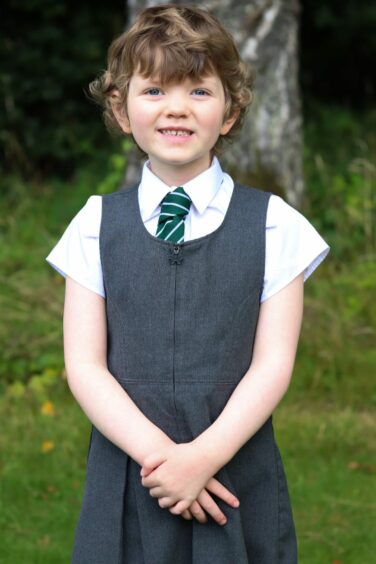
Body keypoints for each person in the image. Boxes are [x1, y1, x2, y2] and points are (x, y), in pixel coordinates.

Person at [46, 4, 329, 563]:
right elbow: (84, 365)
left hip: (233, 476)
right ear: (121, 109)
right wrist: (163, 460)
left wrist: (202, 458)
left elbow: (273, 364)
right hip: (132, 475)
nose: (176, 108)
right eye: (154, 91)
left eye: (199, 91)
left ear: (230, 110)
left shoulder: (276, 225)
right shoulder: (94, 225)